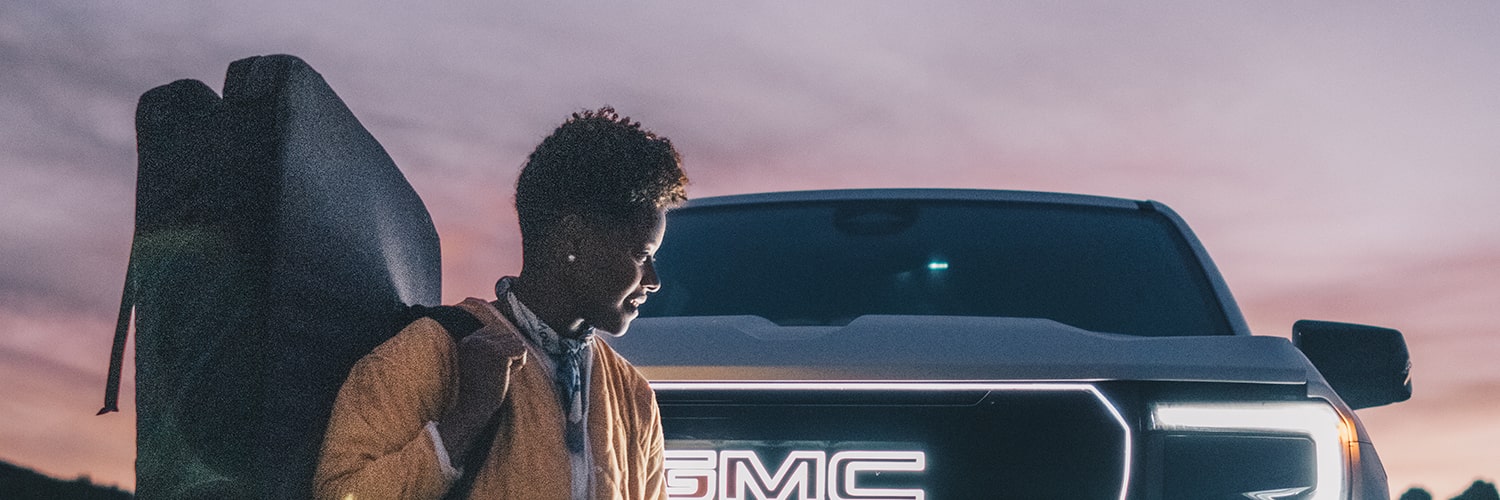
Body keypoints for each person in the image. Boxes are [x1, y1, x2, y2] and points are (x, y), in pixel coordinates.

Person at [314, 107, 688, 499]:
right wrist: (466, 417)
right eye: (642, 255)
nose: (654, 281)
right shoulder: (433, 350)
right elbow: (341, 492)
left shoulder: (633, 395)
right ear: (574, 241)